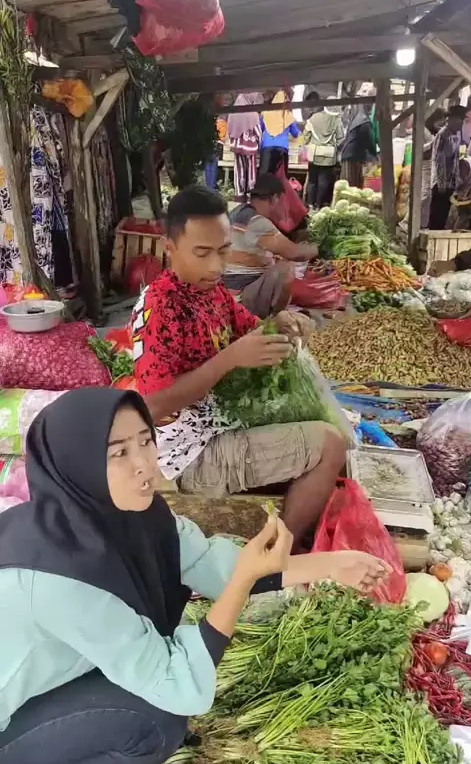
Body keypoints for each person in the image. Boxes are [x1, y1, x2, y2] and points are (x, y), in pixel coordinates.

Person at [0, 387, 390, 764]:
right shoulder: (58, 577)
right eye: (118, 453)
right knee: (152, 719)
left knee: (152, 707)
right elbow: (175, 681)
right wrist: (241, 585)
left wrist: (331, 564)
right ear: (77, 464)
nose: (145, 464)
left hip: (36, 690)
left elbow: (211, 564)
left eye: (146, 441)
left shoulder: (127, 516)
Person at [132, 186, 347, 551]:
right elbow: (151, 408)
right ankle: (276, 554)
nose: (217, 266)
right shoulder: (160, 308)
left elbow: (251, 330)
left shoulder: (211, 293)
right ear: (169, 248)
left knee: (321, 428)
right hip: (190, 456)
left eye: (223, 250)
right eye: (202, 253)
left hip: (220, 424)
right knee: (331, 445)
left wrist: (279, 323)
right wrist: (230, 359)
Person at [225, 174, 319, 317]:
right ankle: (275, 318)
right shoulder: (257, 222)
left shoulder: (238, 212)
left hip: (228, 289)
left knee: (277, 261)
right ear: (275, 198)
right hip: (239, 295)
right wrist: (317, 249)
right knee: (285, 268)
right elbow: (294, 253)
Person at [303, 95, 345, 209]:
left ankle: (310, 204)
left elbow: (306, 135)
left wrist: (308, 143)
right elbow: (341, 139)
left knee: (312, 180)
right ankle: (318, 204)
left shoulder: (314, 117)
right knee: (323, 182)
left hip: (313, 154)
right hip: (328, 156)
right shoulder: (337, 121)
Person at [429, 105, 466, 230]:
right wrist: (441, 184)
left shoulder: (456, 135)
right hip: (441, 184)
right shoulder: (443, 135)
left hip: (450, 183)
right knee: (437, 216)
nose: (462, 123)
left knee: (444, 215)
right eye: (460, 120)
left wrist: (457, 179)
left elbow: (456, 159)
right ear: (451, 119)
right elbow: (439, 161)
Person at [227, 93, 263, 202]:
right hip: (250, 147)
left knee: (239, 170)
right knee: (251, 171)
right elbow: (258, 132)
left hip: (237, 146)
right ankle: (250, 195)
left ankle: (239, 195)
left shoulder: (233, 112)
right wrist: (260, 144)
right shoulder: (252, 113)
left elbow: (229, 129)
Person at [259, 91, 300, 178]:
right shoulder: (288, 116)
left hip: (267, 148)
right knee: (281, 177)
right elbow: (295, 134)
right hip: (282, 149)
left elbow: (260, 129)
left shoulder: (265, 113)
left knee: (264, 177)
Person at [340, 105, 376, 188]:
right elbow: (369, 141)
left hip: (349, 155)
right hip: (353, 156)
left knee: (350, 185)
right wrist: (375, 155)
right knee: (352, 185)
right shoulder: (363, 122)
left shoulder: (355, 120)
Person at [421, 108, 446, 228]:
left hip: (430, 164)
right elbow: (421, 149)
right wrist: (435, 140)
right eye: (441, 120)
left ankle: (422, 223)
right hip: (424, 164)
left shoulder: (431, 131)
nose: (442, 123)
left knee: (427, 195)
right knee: (425, 194)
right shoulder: (424, 131)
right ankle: (409, 222)